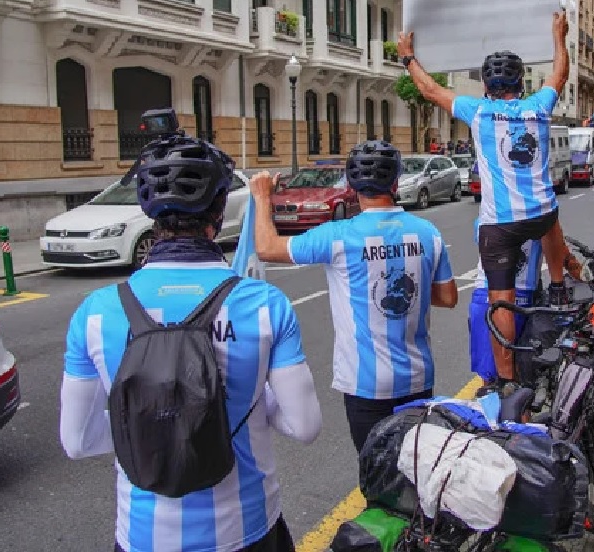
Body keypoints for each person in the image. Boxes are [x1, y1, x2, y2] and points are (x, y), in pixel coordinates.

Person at [60, 131, 322, 552]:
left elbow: (76, 442)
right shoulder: (263, 304)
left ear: (148, 210)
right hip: (246, 526)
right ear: (219, 211)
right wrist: (248, 395)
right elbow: (304, 426)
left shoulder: (95, 311)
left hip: (142, 535)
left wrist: (154, 421)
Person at [396, 11, 581, 387]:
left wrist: (407, 57)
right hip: (542, 217)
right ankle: (559, 281)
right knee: (548, 212)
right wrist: (558, 36)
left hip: (501, 226)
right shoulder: (538, 107)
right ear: (520, 83)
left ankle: (507, 380)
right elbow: (559, 74)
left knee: (500, 300)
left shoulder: (478, 111)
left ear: (486, 85)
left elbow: (430, 90)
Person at [249, 141, 458, 452]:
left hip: (365, 384)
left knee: (376, 476)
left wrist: (262, 195)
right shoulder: (428, 232)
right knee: (417, 469)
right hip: (418, 378)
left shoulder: (337, 235)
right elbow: (447, 297)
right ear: (396, 182)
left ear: (351, 184)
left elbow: (267, 248)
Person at [467, 217, 543, 385]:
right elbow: (556, 248)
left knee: (491, 383)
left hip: (487, 295)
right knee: (522, 385)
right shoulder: (540, 210)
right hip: (520, 296)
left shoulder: (486, 215)